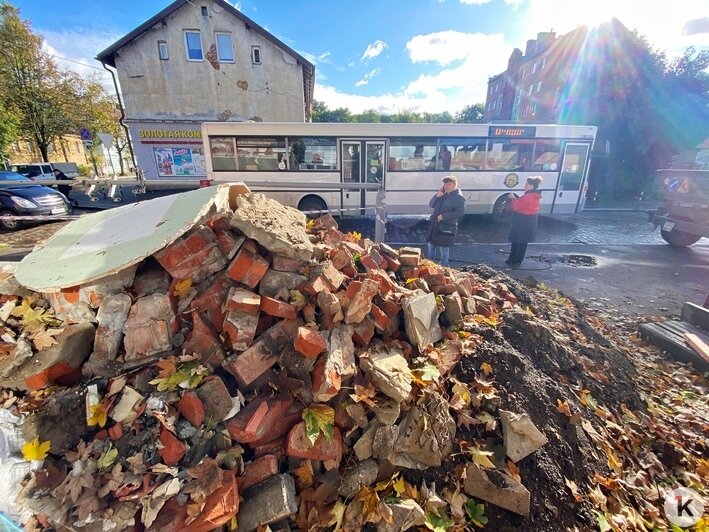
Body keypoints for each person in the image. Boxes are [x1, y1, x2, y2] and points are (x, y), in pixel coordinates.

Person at [426, 175, 465, 267]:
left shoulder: (458, 197)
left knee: (444, 249)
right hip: (435, 225)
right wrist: (437, 196)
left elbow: (460, 212)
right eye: (445, 184)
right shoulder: (443, 194)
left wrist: (444, 216)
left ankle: (443, 267)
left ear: (454, 184)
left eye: (448, 184)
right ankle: (429, 265)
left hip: (446, 227)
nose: (446, 186)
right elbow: (431, 204)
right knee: (431, 245)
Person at [505, 176, 543, 267]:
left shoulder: (527, 197)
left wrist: (512, 198)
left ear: (531, 186)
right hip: (530, 222)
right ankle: (519, 260)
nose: (524, 186)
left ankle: (512, 260)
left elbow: (516, 207)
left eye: (526, 184)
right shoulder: (536, 197)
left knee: (516, 242)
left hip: (521, 222)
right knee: (523, 243)